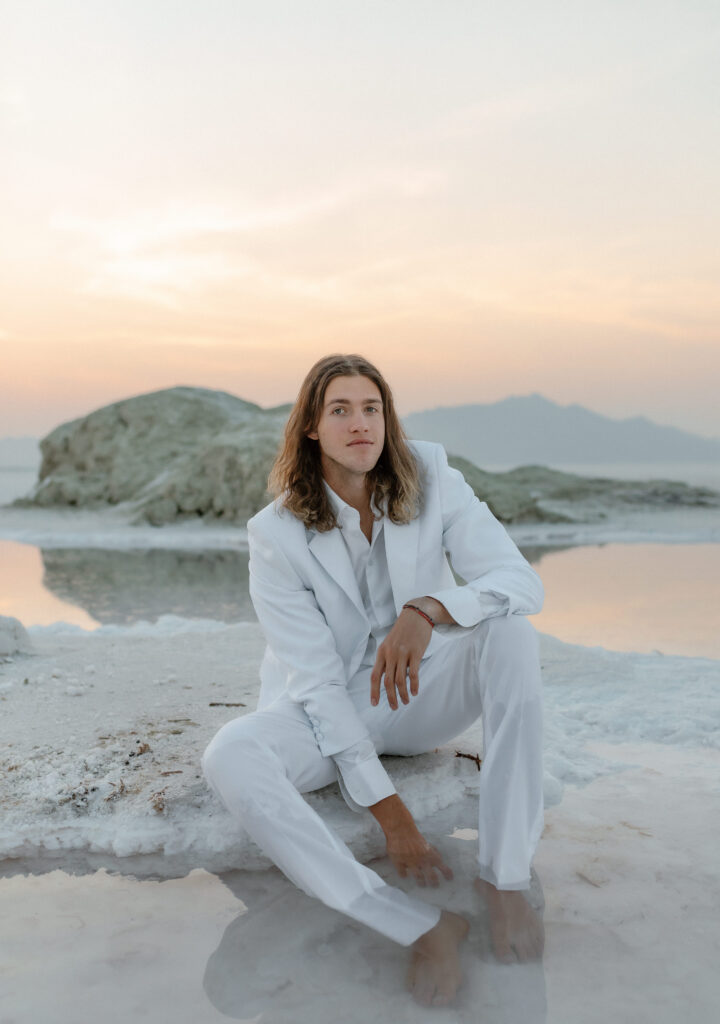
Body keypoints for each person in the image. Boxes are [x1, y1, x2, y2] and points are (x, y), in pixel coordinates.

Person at [202, 353, 545, 1007]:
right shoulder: (274, 533)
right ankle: (418, 924)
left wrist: (429, 610)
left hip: (421, 692)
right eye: (340, 410)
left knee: (511, 632)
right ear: (310, 426)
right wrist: (390, 814)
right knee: (231, 754)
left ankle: (504, 878)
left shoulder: (432, 473)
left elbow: (520, 584)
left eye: (371, 408)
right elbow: (315, 682)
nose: (360, 423)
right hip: (326, 708)